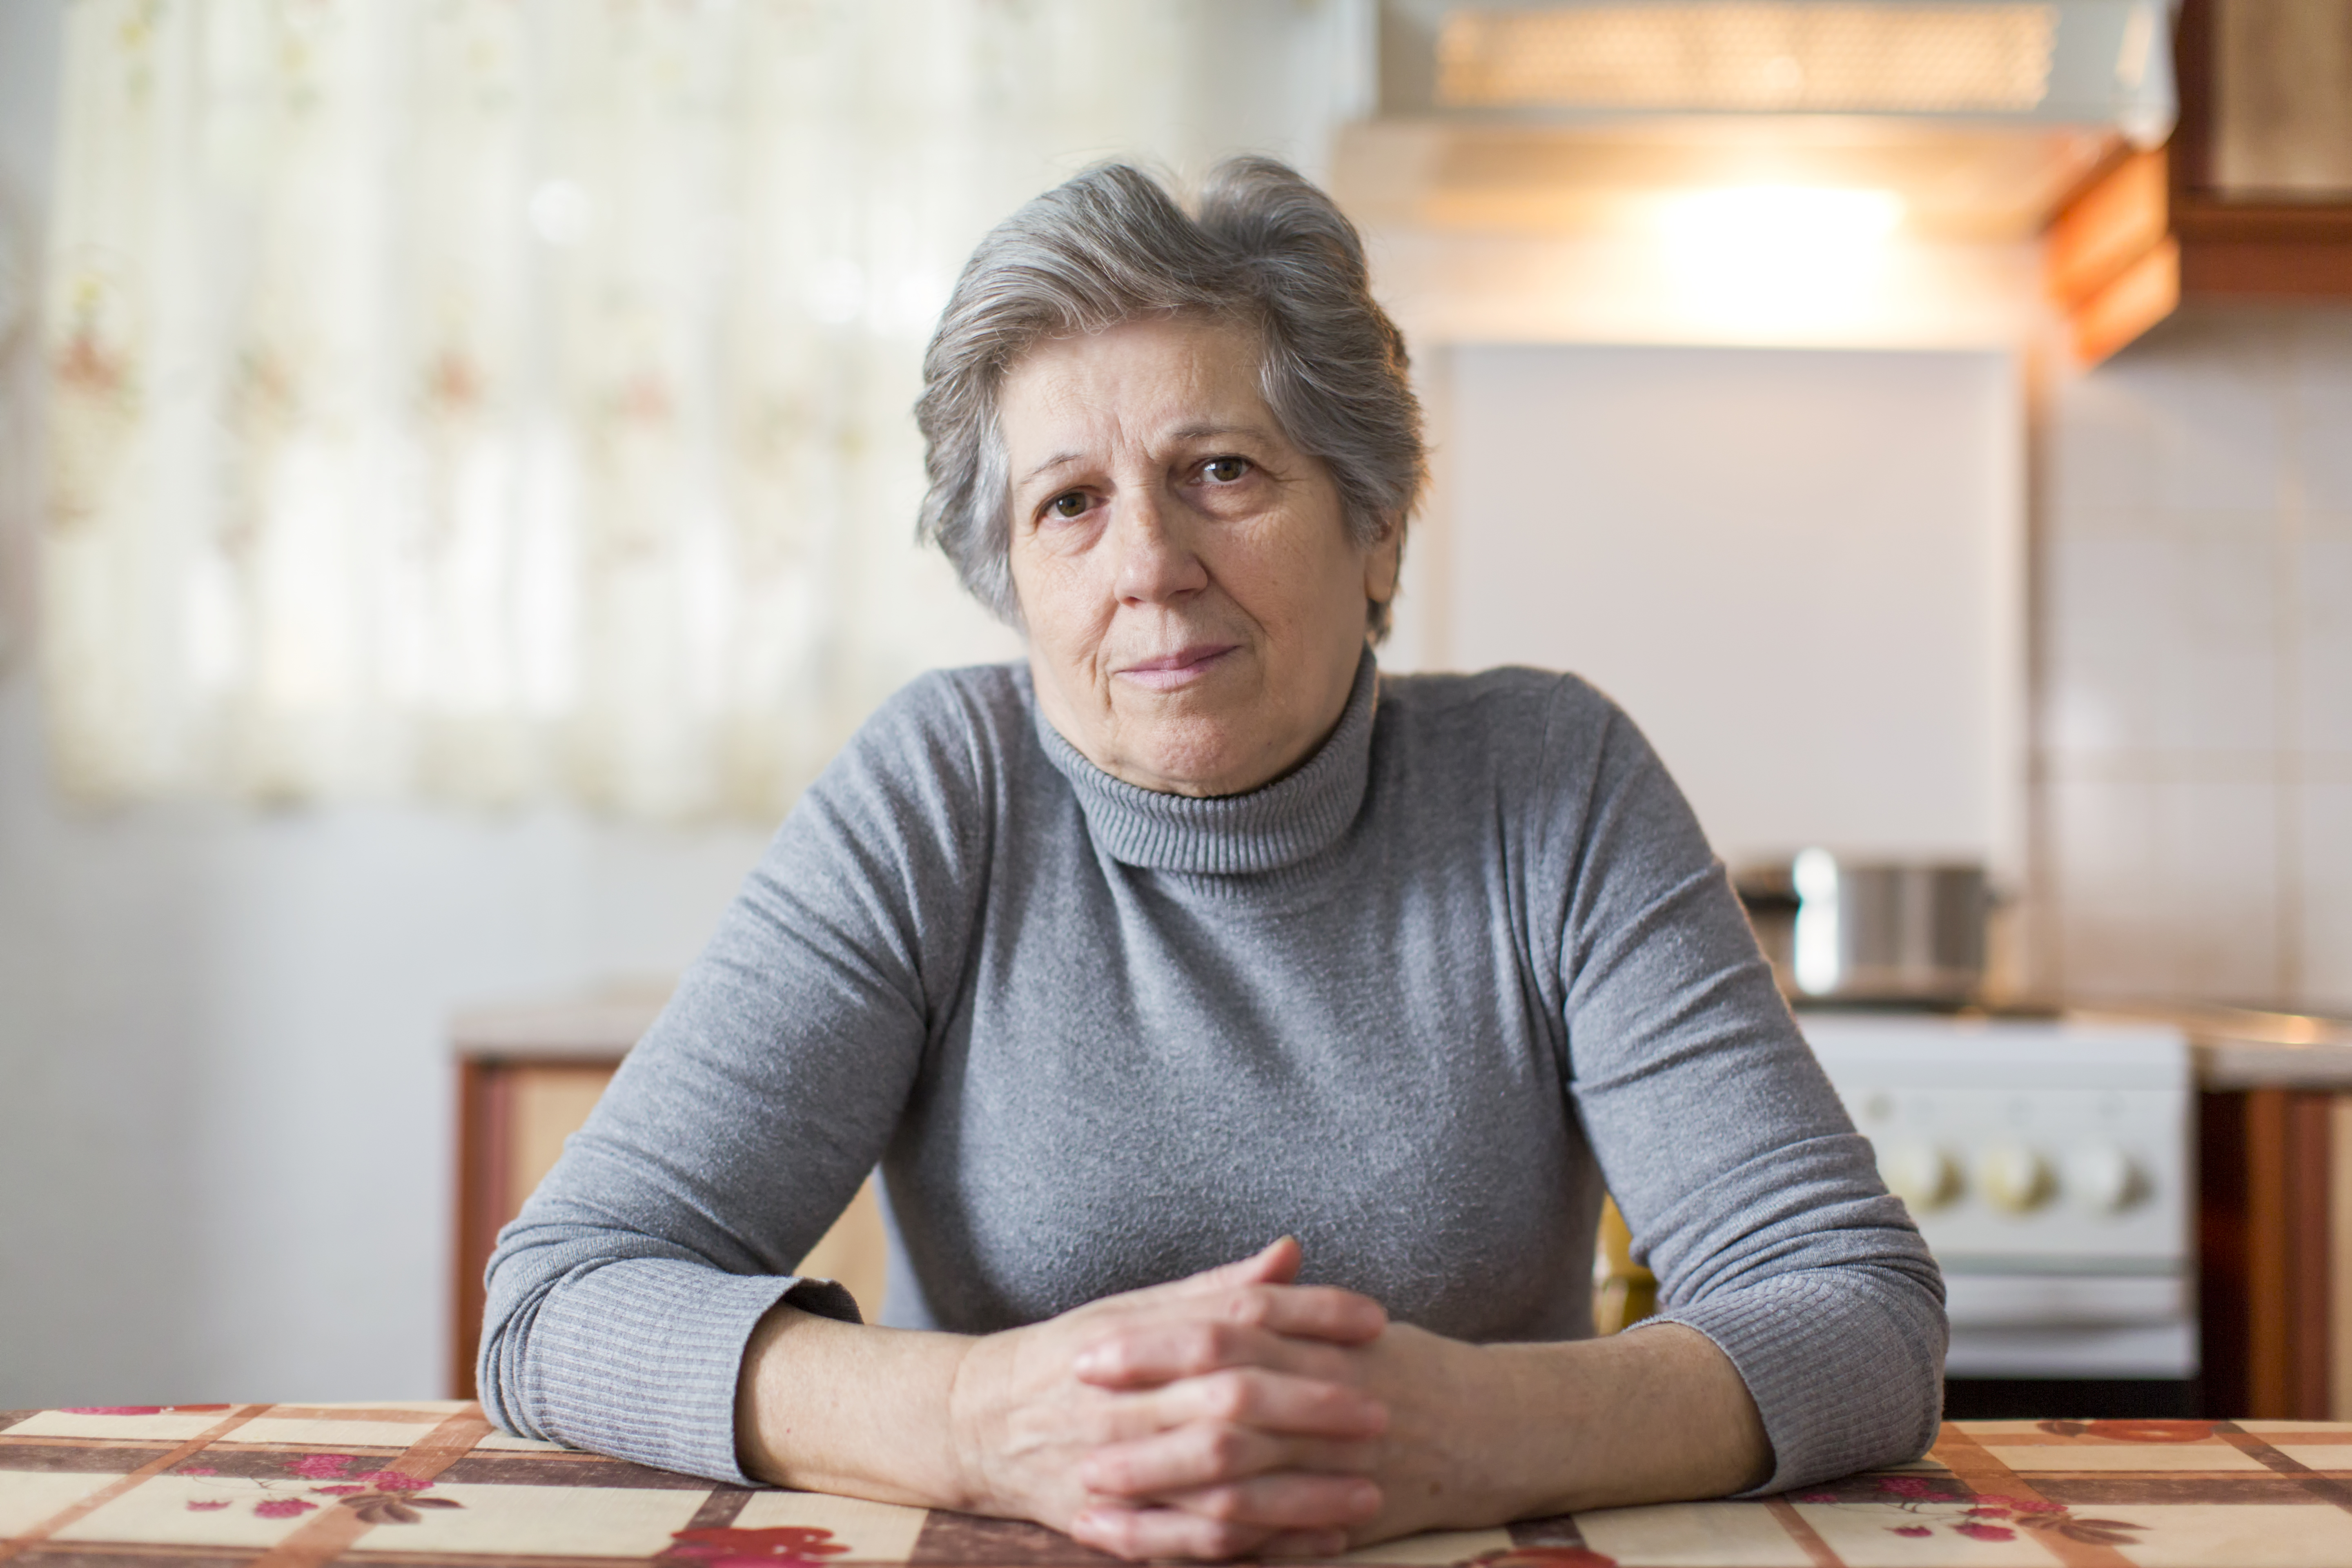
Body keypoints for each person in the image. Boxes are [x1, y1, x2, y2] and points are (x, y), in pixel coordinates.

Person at [479, 157, 1945, 1561]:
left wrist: (1472, 1430)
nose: (1148, 563)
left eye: (1222, 470)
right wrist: (983, 1422)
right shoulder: (940, 790)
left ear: (1376, 528)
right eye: (1070, 504)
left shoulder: (1547, 782)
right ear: (1013, 586)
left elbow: (1859, 1315)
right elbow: (559, 1305)